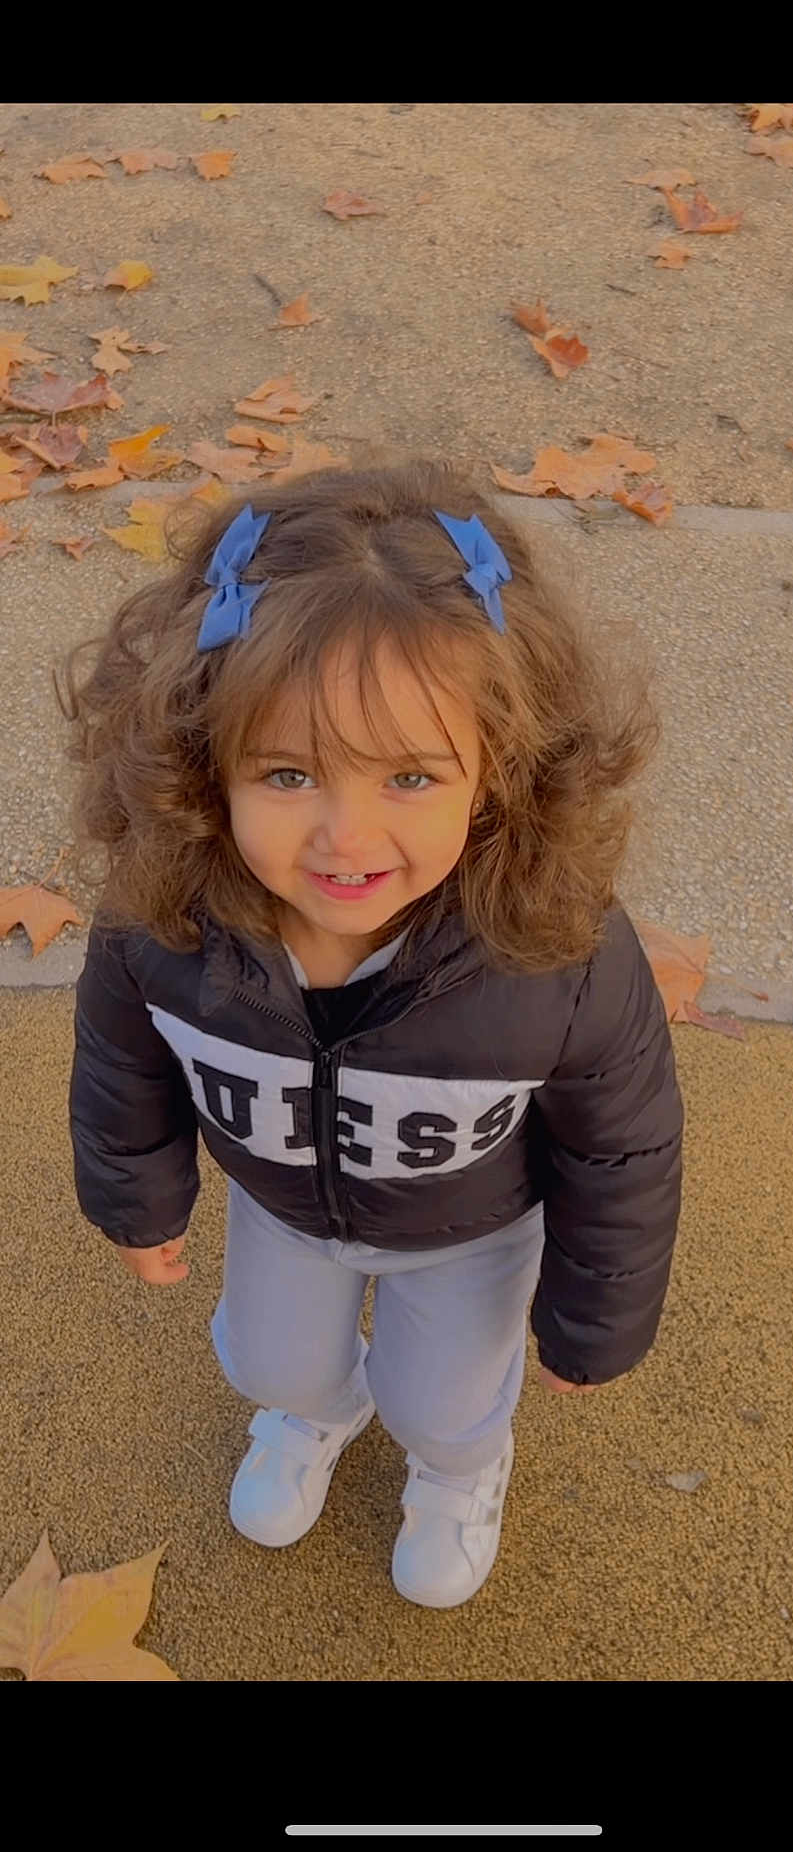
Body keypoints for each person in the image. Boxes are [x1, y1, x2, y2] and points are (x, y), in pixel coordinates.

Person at [59, 459, 684, 1611]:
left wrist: (591, 1320)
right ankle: (312, 1413)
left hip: (470, 1230)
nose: (348, 837)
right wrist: (137, 1203)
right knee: (266, 1361)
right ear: (204, 768)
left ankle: (458, 1473)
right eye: (288, 772)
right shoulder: (162, 920)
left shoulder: (554, 949)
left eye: (408, 774)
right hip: (282, 1206)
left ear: (496, 770)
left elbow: (623, 1144)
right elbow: (122, 1060)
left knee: (442, 1403)